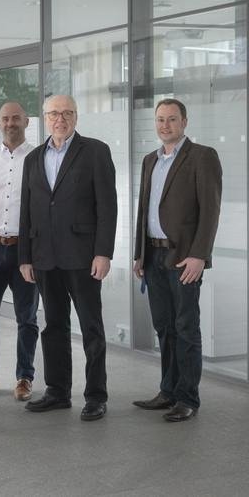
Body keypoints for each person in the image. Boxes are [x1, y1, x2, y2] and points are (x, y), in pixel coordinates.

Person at [19, 94, 117, 421]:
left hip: (83, 256)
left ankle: (96, 396)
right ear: (44, 118)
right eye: (53, 114)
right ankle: (57, 391)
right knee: (53, 326)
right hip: (45, 257)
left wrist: (103, 252)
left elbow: (107, 207)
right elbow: (27, 212)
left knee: (91, 327)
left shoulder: (95, 151)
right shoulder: (33, 158)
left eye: (66, 113)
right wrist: (25, 257)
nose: (59, 119)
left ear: (75, 116)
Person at [132, 98, 222, 422]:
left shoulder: (202, 157)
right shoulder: (149, 161)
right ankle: (168, 391)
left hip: (184, 257)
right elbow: (144, 209)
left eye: (171, 119)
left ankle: (187, 398)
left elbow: (210, 211)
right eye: (160, 119)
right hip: (153, 255)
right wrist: (139, 254)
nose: (165, 125)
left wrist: (200, 255)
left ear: (184, 122)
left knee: (186, 327)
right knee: (164, 327)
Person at [0, 102, 40, 401]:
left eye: (16, 117)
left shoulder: (39, 157)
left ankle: (24, 377)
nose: (11, 123)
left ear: (26, 120)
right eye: (5, 118)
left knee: (27, 317)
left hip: (25, 251)